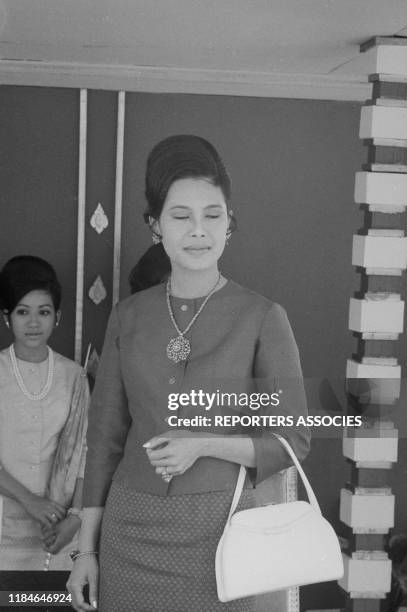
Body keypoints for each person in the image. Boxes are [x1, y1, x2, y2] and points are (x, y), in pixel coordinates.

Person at [67, 134, 310, 612]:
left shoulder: (261, 317)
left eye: (212, 215)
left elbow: (292, 441)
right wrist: (86, 551)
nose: (198, 230)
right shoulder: (128, 316)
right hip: (128, 531)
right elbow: (104, 443)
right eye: (181, 216)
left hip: (222, 533)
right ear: (155, 226)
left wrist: (204, 443)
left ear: (230, 224)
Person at [0, 255, 89, 611]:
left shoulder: (75, 377)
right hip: (4, 532)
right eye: (23, 312)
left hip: (59, 535)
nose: (34, 322)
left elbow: (87, 454)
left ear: (58, 316)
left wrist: (75, 518)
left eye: (44, 311)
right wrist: (30, 501)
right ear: (6, 317)